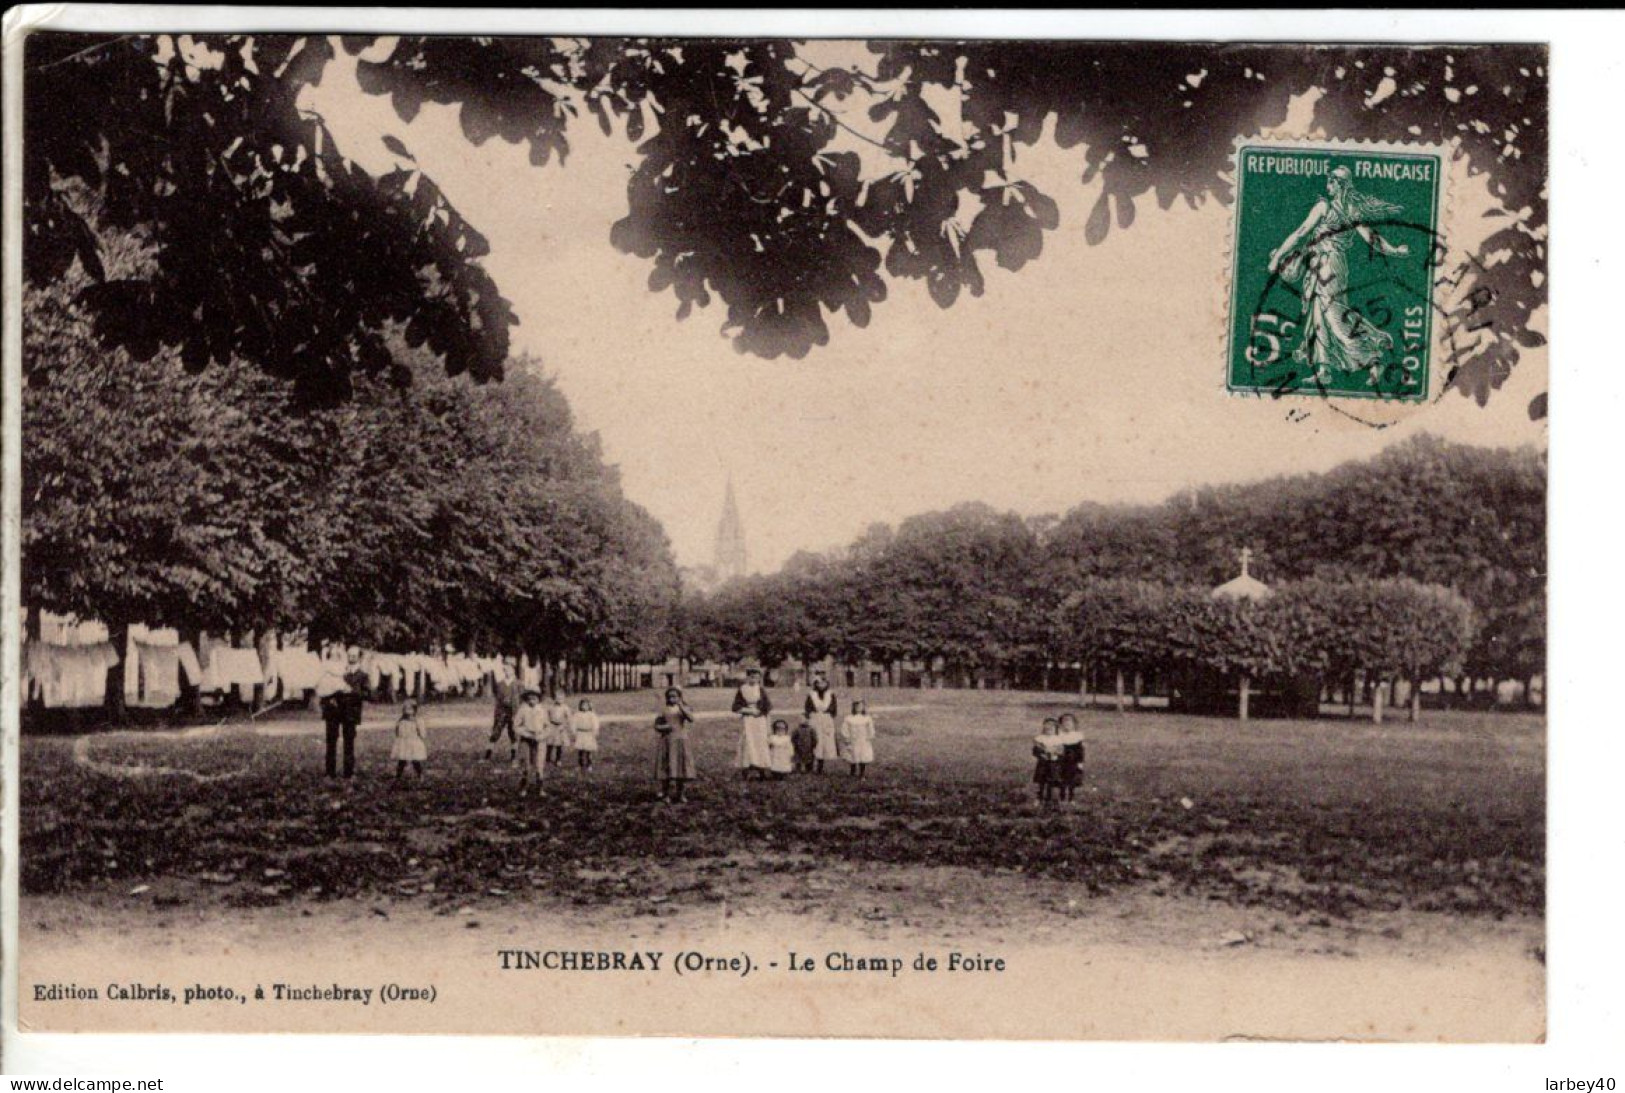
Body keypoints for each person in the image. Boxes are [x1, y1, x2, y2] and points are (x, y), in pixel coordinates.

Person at [1267, 164, 1412, 385]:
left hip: (1328, 265)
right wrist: (1394, 250)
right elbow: (1372, 238)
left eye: (1331, 181)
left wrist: (1278, 257)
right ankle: (1324, 369)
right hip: (1328, 264)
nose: (1328, 185)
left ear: (1339, 184)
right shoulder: (1350, 210)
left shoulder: (1324, 207)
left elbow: (1300, 233)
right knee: (1320, 314)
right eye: (1328, 181)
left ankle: (1374, 354)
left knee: (1334, 315)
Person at [316, 647, 369, 780]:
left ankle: (348, 773)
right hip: (333, 711)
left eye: (354, 656)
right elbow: (324, 688)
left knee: (349, 743)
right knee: (331, 742)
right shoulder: (337, 671)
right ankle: (330, 772)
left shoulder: (363, 675)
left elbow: (368, 695)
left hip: (350, 713)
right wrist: (329, 700)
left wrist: (352, 691)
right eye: (349, 655)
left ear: (359, 658)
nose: (351, 658)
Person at [655, 687, 697, 803]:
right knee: (667, 767)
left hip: (681, 740)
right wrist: (665, 727)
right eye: (670, 697)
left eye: (675, 696)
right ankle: (666, 794)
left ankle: (681, 794)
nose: (672, 699)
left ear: (679, 697)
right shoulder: (664, 710)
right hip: (668, 741)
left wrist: (681, 706)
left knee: (681, 767)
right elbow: (656, 725)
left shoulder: (683, 709)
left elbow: (691, 718)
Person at [732, 668, 773, 779]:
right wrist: (748, 710)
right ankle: (746, 770)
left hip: (759, 720)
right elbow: (735, 707)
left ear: (759, 678)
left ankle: (761, 769)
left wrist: (759, 711)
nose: (753, 679)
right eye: (751, 676)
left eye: (756, 677)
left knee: (760, 742)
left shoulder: (761, 690)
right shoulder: (742, 689)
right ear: (747, 677)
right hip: (747, 719)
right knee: (747, 742)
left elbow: (768, 706)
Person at [804, 672, 840, 774]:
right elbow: (807, 708)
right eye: (819, 683)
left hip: (826, 719)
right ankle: (809, 765)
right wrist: (810, 716)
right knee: (813, 741)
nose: (821, 685)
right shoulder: (812, 695)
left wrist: (827, 715)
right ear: (815, 684)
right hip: (814, 718)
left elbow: (834, 709)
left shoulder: (830, 695)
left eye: (823, 683)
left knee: (823, 743)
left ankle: (820, 766)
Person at [514, 689, 547, 797]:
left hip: (539, 739)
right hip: (526, 739)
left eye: (535, 698)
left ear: (538, 699)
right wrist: (526, 733)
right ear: (526, 699)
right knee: (526, 765)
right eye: (530, 699)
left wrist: (541, 735)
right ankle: (523, 787)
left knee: (539, 765)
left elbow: (548, 726)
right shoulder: (523, 710)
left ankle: (540, 788)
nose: (532, 701)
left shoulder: (542, 710)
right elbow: (516, 726)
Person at [391, 698, 428, 782]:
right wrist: (399, 739)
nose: (407, 711)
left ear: (414, 710)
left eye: (410, 709)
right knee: (402, 760)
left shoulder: (418, 721)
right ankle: (398, 776)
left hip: (413, 742)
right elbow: (397, 731)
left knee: (415, 760)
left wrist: (420, 737)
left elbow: (422, 733)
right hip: (403, 742)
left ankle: (420, 775)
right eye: (405, 709)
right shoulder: (401, 721)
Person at [485, 673, 518, 763]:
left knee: (513, 734)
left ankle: (514, 757)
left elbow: (520, 700)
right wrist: (497, 714)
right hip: (502, 712)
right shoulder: (500, 684)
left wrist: (517, 713)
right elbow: (498, 700)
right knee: (495, 733)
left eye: (509, 669)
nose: (507, 671)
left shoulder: (518, 684)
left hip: (513, 712)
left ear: (513, 671)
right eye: (505, 669)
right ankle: (487, 756)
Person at [1055, 712, 1085, 804]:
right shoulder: (1059, 736)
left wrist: (1080, 762)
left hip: (1073, 760)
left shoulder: (1077, 736)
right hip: (1061, 760)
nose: (1067, 725)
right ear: (1060, 725)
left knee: (1072, 780)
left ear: (1074, 725)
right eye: (1064, 723)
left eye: (1070, 723)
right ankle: (1062, 797)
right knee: (1061, 779)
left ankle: (1071, 798)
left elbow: (1080, 750)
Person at [841, 699, 876, 778]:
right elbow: (845, 728)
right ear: (853, 707)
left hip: (863, 740)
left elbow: (870, 728)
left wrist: (870, 736)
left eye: (860, 706)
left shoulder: (867, 718)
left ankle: (862, 773)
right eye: (856, 706)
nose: (858, 708)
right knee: (853, 755)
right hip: (853, 739)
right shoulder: (849, 718)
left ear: (863, 707)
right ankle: (852, 772)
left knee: (862, 756)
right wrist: (846, 737)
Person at [1032, 717, 1061, 806]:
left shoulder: (1057, 739)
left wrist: (1054, 752)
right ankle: (1039, 797)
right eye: (1047, 728)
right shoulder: (1040, 738)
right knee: (1041, 781)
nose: (1049, 729)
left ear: (1055, 728)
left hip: (1053, 763)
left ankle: (1048, 799)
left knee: (1051, 781)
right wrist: (1041, 753)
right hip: (1043, 763)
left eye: (1052, 728)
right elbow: (1035, 750)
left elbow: (1061, 751)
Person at [544, 689, 572, 769]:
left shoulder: (565, 708)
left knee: (559, 745)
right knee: (549, 743)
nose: (559, 700)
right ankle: (548, 758)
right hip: (552, 726)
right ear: (554, 698)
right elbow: (546, 716)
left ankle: (558, 759)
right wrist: (547, 724)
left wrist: (564, 725)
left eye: (561, 698)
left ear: (564, 699)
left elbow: (569, 718)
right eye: (557, 698)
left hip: (560, 727)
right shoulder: (551, 707)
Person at [572, 698, 600, 774]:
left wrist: (595, 731)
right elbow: (574, 723)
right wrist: (574, 732)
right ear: (580, 706)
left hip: (589, 734)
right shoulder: (577, 714)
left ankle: (589, 764)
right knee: (580, 751)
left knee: (588, 751)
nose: (584, 707)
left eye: (586, 705)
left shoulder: (591, 715)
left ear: (589, 706)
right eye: (583, 705)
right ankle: (580, 764)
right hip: (580, 734)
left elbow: (595, 724)